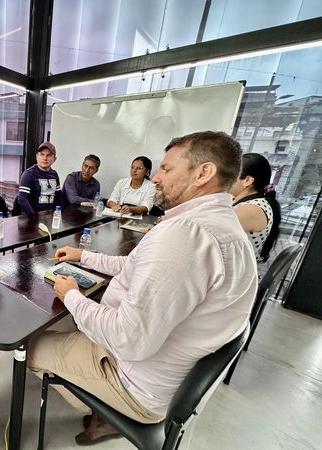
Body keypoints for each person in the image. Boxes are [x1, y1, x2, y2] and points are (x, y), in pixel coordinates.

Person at [27, 131, 257, 445]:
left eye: (167, 169)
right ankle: (98, 401)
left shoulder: (186, 236)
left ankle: (107, 412)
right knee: (78, 323)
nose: (157, 178)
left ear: (203, 173)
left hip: (134, 382)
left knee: (31, 346)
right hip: (165, 371)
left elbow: (128, 340)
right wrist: (84, 256)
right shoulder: (224, 228)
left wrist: (72, 297)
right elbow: (136, 265)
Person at [230, 153, 281, 262]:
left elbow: (208, 230)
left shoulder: (252, 209)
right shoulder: (255, 202)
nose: (224, 180)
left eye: (230, 175)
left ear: (247, 180)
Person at [18, 142, 61, 215]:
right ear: (36, 157)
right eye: (42, 154)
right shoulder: (28, 174)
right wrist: (34, 217)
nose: (45, 158)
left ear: (54, 159)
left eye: (49, 155)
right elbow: (22, 199)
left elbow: (58, 197)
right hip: (31, 217)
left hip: (50, 216)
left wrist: (57, 212)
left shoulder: (54, 174)